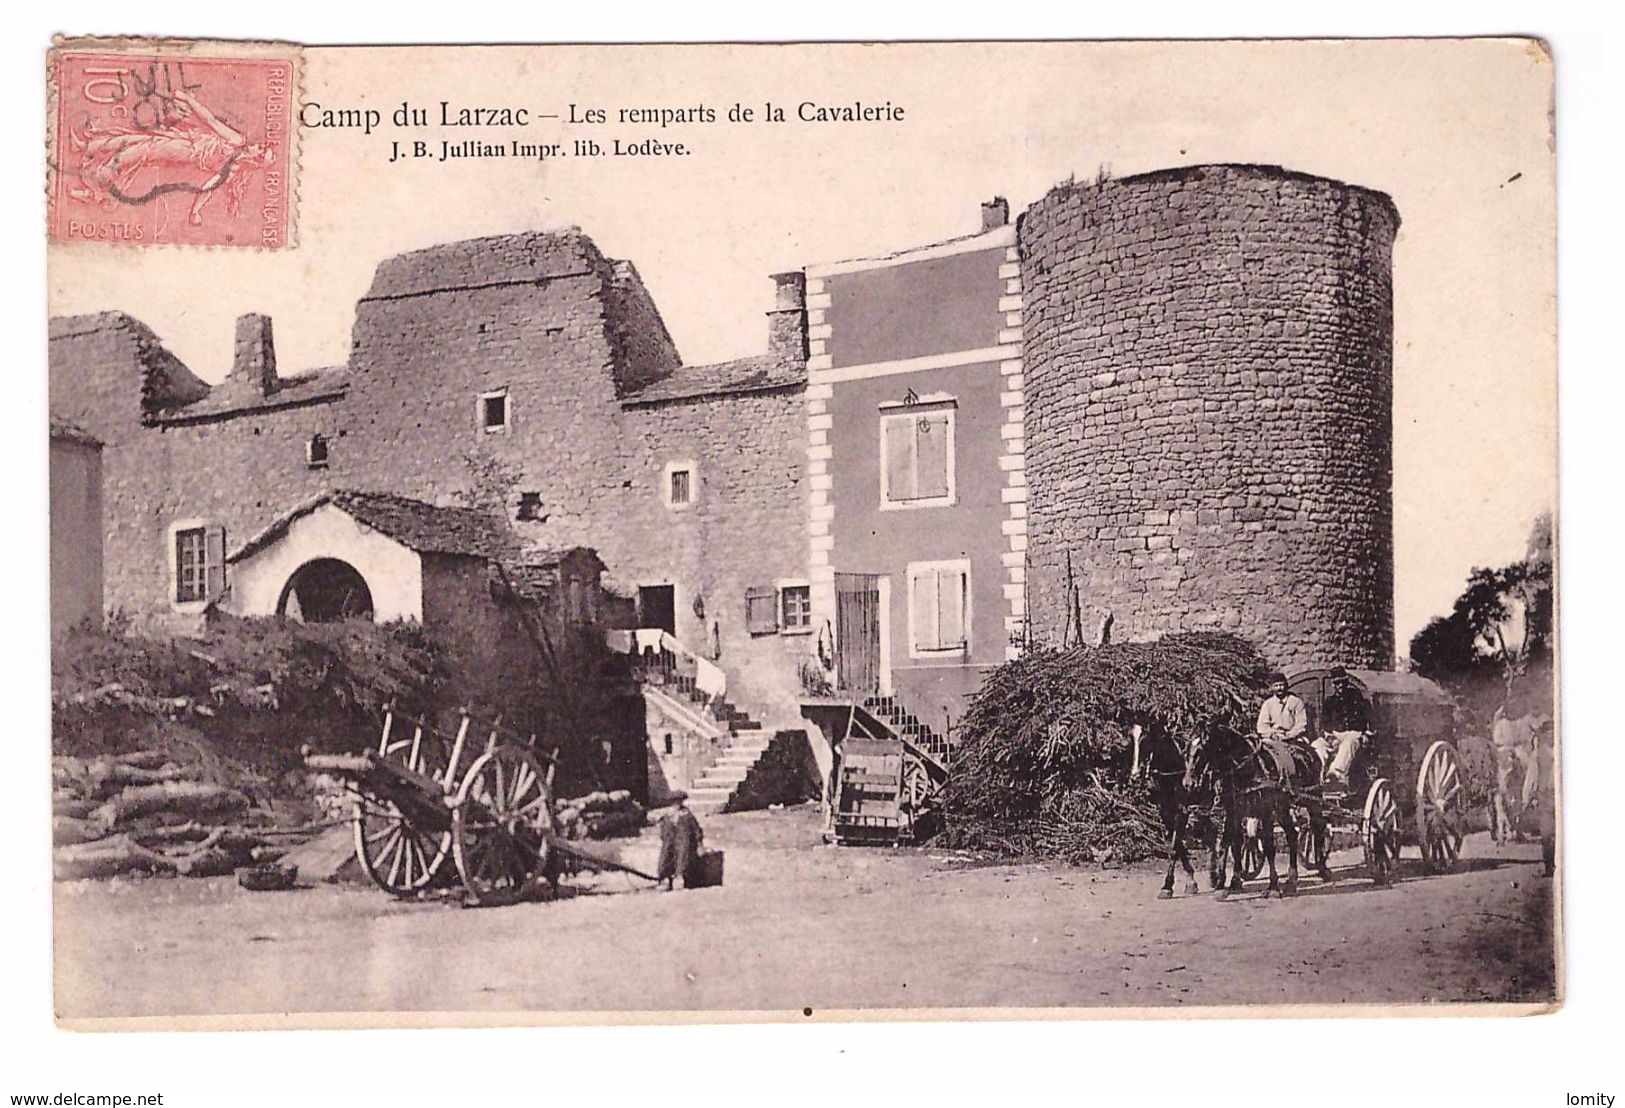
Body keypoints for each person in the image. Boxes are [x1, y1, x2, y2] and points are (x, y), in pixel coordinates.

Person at [1315, 671, 1370, 784]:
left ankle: (1335, 774)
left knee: (1348, 743)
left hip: (1353, 734)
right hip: (1335, 735)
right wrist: (1331, 738)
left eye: (1342, 682)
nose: (1340, 686)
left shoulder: (1357, 698)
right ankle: (1318, 775)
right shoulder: (1329, 702)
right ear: (1333, 685)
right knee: (1316, 745)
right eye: (1337, 683)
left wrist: (1365, 734)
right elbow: (1326, 724)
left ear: (1347, 683)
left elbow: (1367, 719)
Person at [1255, 672, 1310, 782]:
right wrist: (1272, 734)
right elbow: (1261, 726)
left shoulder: (1296, 702)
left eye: (1281, 685)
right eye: (1276, 685)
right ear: (1272, 688)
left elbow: (1301, 723)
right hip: (1273, 738)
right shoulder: (1268, 704)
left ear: (1286, 685)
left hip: (1292, 738)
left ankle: (1291, 777)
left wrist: (1288, 735)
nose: (1279, 688)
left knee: (1294, 755)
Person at [656, 793, 705, 890]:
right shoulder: (668, 816)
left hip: (684, 842)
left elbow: (697, 830)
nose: (676, 805)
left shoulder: (687, 815)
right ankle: (665, 879)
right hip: (670, 842)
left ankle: (680, 878)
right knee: (665, 855)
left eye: (678, 802)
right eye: (674, 802)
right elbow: (663, 833)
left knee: (683, 854)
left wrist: (699, 844)